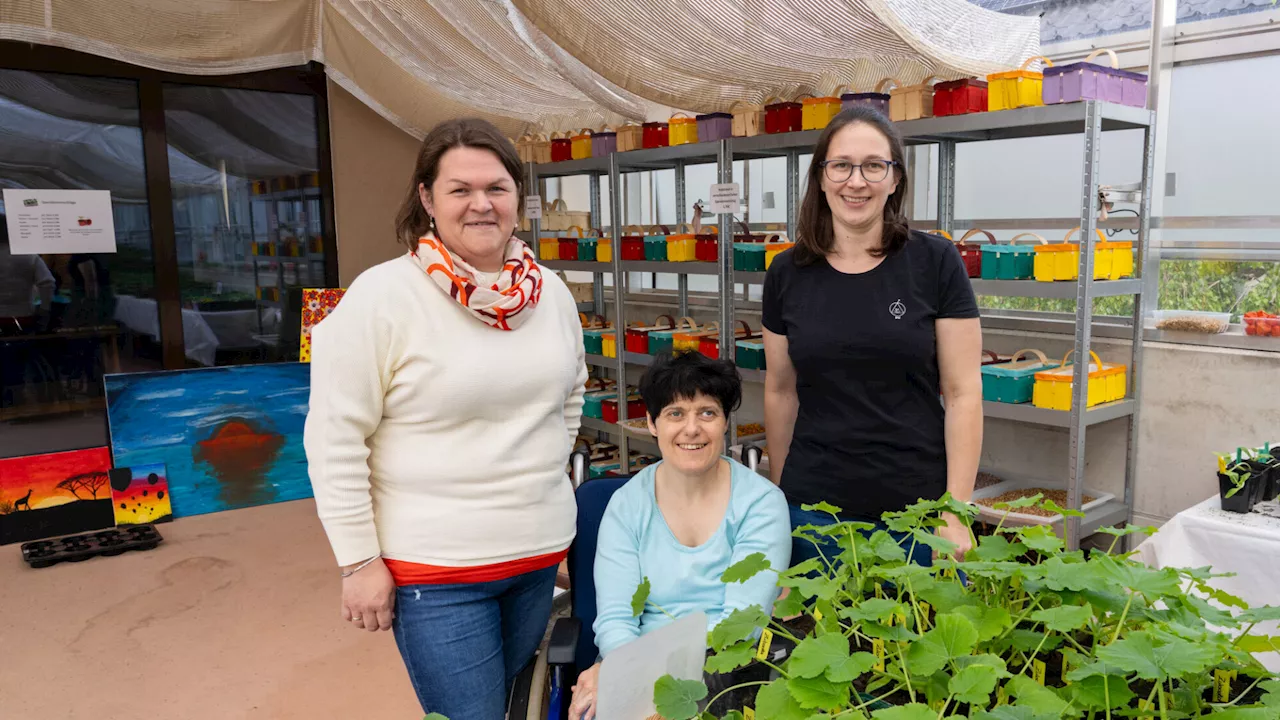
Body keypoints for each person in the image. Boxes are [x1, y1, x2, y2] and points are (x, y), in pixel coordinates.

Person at [304, 118, 588, 720]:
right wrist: (358, 561)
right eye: (460, 189)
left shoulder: (550, 293)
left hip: (535, 559)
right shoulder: (382, 298)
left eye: (497, 187)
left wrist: (540, 473)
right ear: (428, 199)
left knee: (514, 703)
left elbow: (571, 394)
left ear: (518, 198)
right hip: (436, 573)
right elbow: (334, 439)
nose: (481, 204)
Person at [761, 105, 983, 568]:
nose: (855, 181)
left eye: (873, 166)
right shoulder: (787, 272)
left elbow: (964, 394)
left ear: (895, 178)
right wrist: (783, 495)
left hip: (918, 511)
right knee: (825, 637)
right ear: (821, 178)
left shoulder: (935, 262)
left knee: (918, 636)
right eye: (840, 165)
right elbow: (780, 391)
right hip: (815, 509)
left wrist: (955, 509)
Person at [569, 352, 792, 720]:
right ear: (651, 423)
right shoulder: (627, 505)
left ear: (724, 423)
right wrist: (629, 679)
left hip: (727, 666)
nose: (692, 428)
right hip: (630, 659)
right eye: (675, 413)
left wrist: (662, 687)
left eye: (707, 412)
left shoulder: (761, 504)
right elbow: (615, 618)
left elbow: (742, 624)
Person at [0, 214, 56, 408]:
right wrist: (45, 310)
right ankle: (17, 398)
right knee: (20, 361)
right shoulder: (28, 256)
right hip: (23, 316)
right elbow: (48, 282)